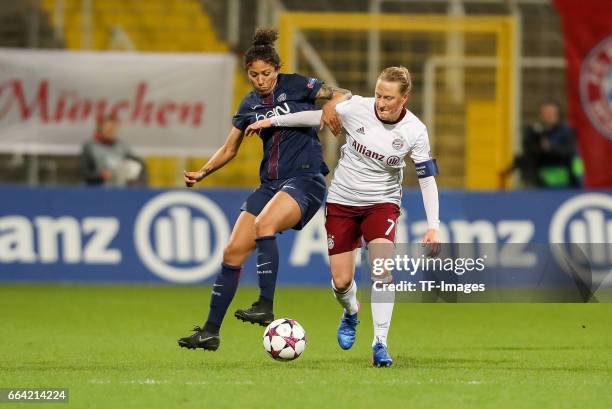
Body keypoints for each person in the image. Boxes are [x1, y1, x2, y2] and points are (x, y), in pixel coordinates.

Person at [245, 66, 441, 367]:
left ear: (405, 98)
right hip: (342, 201)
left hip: (382, 203)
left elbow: (427, 178)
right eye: (378, 94)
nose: (381, 102)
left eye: (388, 97)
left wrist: (433, 227)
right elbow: (316, 117)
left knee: (381, 271)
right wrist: (273, 120)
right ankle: (351, 313)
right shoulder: (358, 108)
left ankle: (380, 344)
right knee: (341, 281)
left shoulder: (415, 131)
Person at [177, 28, 350, 351]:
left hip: (305, 179)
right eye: (254, 75)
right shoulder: (248, 104)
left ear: (277, 70)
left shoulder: (298, 85)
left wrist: (331, 106)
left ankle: (265, 305)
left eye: (266, 73)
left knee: (264, 225)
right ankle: (210, 331)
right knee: (231, 252)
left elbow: (345, 94)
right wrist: (203, 171)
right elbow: (230, 149)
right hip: (270, 184)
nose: (261, 80)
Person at [513, 101, 581, 188]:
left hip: (564, 182)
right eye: (545, 113)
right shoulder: (535, 132)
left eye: (551, 113)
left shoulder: (566, 131)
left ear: (558, 115)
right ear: (540, 115)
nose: (548, 116)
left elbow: (570, 152)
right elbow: (528, 152)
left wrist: (550, 148)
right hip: (540, 180)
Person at [80, 114, 146, 186]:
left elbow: (139, 164)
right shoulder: (90, 147)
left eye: (113, 128)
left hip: (120, 188)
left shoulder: (123, 147)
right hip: (97, 188)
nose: (111, 131)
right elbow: (84, 172)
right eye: (108, 128)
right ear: (100, 128)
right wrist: (99, 176)